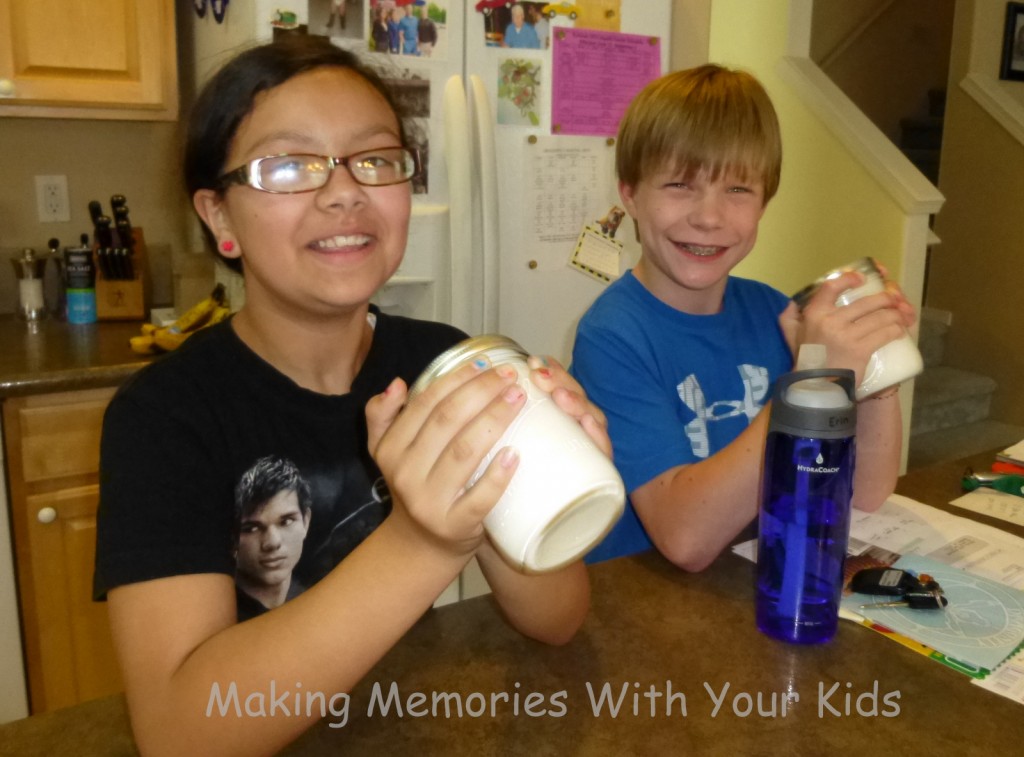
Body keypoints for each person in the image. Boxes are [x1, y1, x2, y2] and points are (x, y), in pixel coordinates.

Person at [94, 37, 601, 756]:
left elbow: (558, 617)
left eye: (375, 159)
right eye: (289, 165)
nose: (343, 191)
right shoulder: (164, 417)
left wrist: (552, 486)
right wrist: (424, 541)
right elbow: (180, 732)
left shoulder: (442, 363)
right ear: (220, 218)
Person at [571, 64, 913, 571]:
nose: (709, 217)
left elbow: (865, 494)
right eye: (680, 185)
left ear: (764, 203)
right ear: (630, 195)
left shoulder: (775, 312)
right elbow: (685, 539)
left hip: (752, 583)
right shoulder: (612, 335)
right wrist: (809, 382)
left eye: (737, 190)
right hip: (646, 606)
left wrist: (874, 370)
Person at [233, 456, 312, 621]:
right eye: (252, 528)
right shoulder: (217, 616)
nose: (273, 542)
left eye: (286, 521)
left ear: (306, 521)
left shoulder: (315, 600)